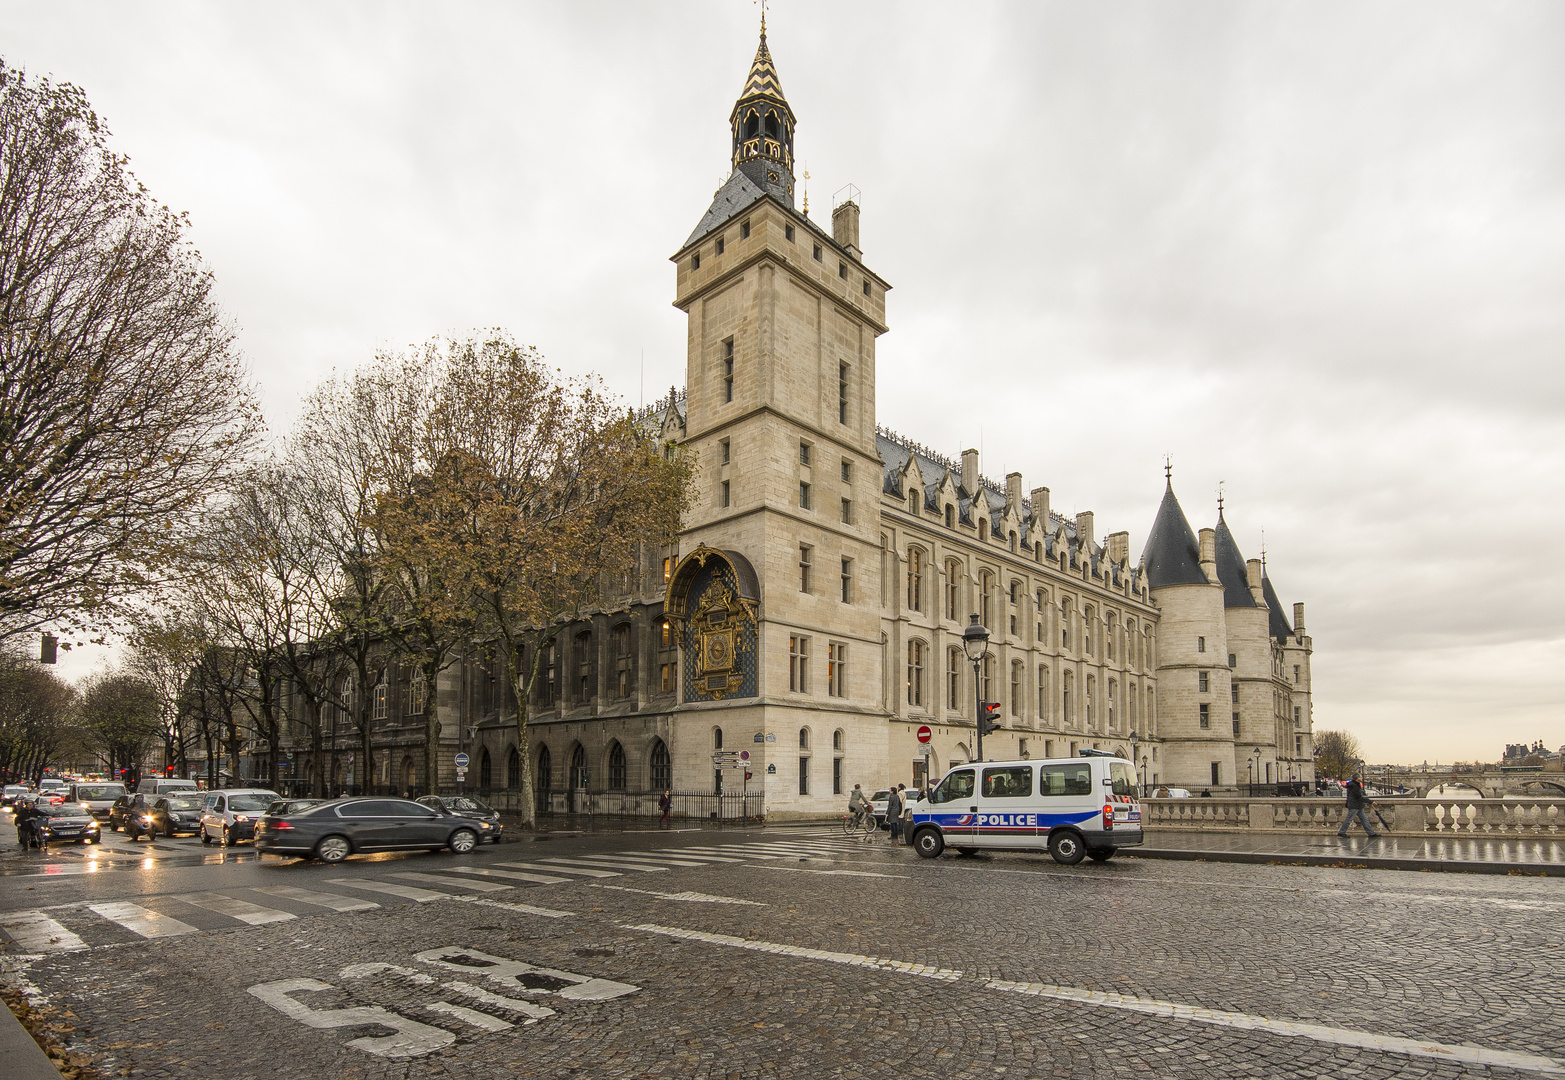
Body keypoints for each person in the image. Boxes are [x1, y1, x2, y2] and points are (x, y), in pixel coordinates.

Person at [1337, 773, 1379, 838]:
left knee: (1364, 819)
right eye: (1361, 777)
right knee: (1349, 819)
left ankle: (1371, 833)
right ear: (1357, 778)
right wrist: (1370, 801)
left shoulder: (1355, 785)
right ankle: (1341, 832)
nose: (1362, 778)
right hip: (1354, 805)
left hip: (1358, 805)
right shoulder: (1354, 786)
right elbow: (1359, 796)